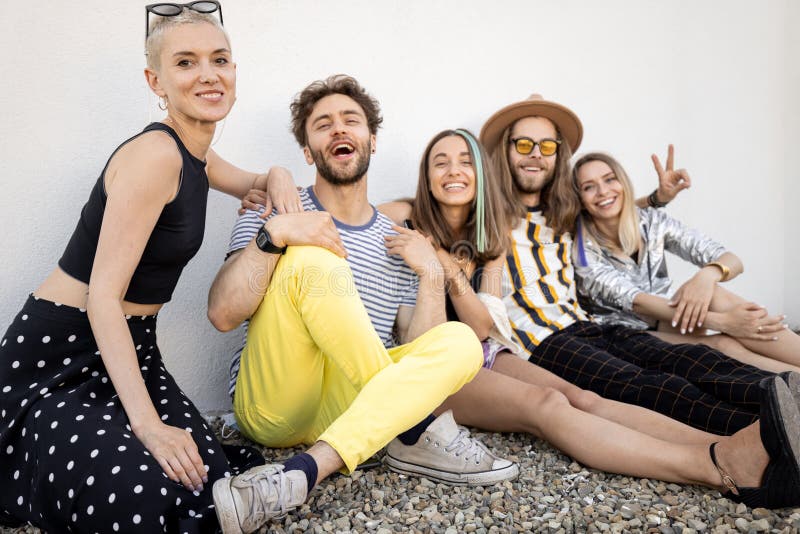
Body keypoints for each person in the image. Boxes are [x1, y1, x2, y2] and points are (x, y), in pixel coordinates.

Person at [0, 4, 305, 532]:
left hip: (129, 349)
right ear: (155, 80)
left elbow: (254, 181)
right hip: (55, 363)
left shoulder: (198, 155)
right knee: (139, 494)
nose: (208, 74)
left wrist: (277, 172)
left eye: (220, 59)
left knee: (203, 472)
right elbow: (101, 298)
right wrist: (148, 425)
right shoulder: (155, 156)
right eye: (185, 62)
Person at [379, 127, 800, 508]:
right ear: (502, 157)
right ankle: (756, 443)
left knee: (677, 363)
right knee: (638, 386)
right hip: (528, 343)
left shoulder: (530, 224)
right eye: (522, 144)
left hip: (568, 327)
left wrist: (654, 200)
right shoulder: (450, 218)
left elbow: (609, 206)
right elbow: (362, 219)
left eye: (546, 145)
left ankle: (775, 413)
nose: (535, 154)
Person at [207, 75, 518, 534]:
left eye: (350, 121)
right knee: (316, 256)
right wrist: (278, 234)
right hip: (276, 403)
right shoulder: (274, 209)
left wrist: (431, 275)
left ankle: (302, 473)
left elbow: (421, 350)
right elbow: (222, 313)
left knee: (462, 341)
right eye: (323, 124)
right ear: (309, 152)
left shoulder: (396, 240)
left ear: (371, 141)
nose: (338, 129)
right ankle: (412, 431)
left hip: (353, 407)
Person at [570, 149, 800, 374]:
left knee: (714, 294)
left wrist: (707, 276)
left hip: (668, 317)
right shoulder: (582, 251)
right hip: (623, 336)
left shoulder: (650, 221)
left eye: (610, 180)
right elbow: (637, 302)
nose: (603, 191)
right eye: (589, 187)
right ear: (579, 199)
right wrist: (724, 323)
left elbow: (732, 260)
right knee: (723, 345)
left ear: (623, 183)